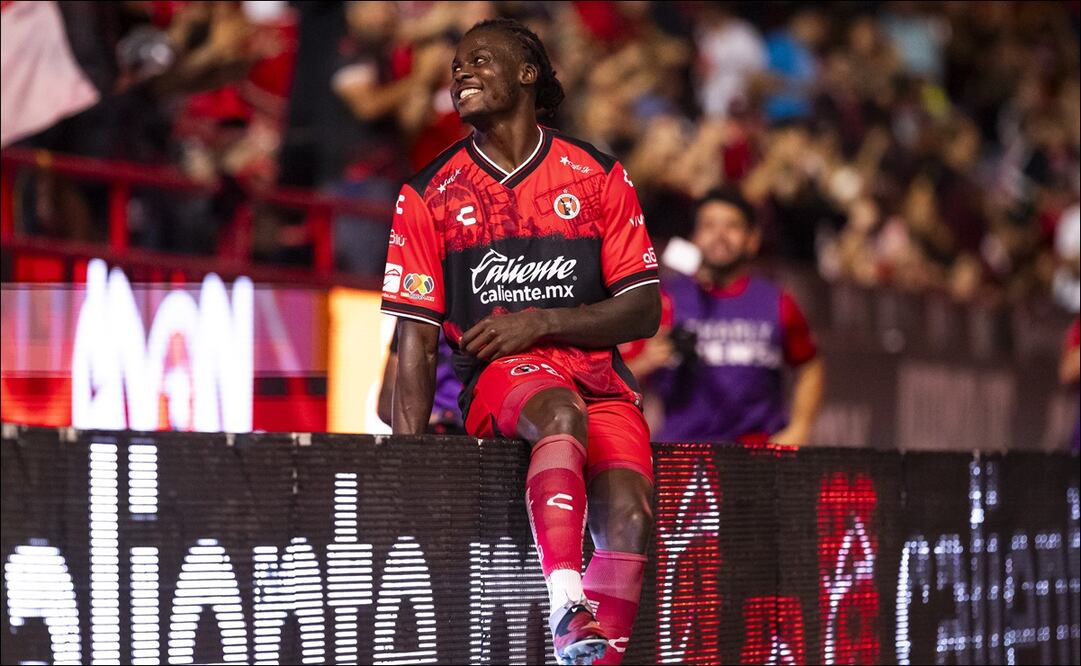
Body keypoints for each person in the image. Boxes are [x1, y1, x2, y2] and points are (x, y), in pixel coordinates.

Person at [380, 18, 661, 665]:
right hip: (503, 379)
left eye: (478, 61)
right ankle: (566, 602)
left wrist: (540, 319)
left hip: (599, 379)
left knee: (632, 517)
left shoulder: (596, 174)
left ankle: (592, 654)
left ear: (528, 73)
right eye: (454, 70)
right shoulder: (428, 193)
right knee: (558, 412)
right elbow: (416, 339)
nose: (460, 76)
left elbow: (642, 309)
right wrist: (407, 462)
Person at [628, 188, 825, 446]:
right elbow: (620, 375)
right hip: (682, 455)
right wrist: (647, 361)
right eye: (709, 226)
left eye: (732, 226)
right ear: (695, 237)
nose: (719, 236)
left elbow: (810, 365)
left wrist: (800, 427)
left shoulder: (776, 302)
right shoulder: (665, 299)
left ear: (752, 239)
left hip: (759, 457)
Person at [377, 323, 463, 434]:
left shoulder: (414, 316)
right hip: (474, 431)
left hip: (424, 431)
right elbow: (386, 407)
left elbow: (387, 407)